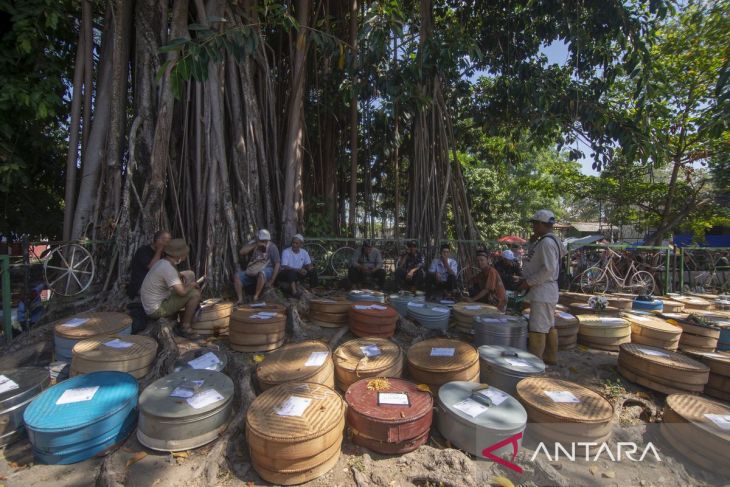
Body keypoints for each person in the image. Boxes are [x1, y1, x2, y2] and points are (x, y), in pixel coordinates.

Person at [518, 209, 565, 365]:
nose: (533, 228)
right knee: (548, 325)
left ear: (540, 224)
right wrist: (533, 242)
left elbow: (548, 269)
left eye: (534, 224)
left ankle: (535, 363)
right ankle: (550, 357)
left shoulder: (546, 242)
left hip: (543, 290)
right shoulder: (552, 240)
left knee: (538, 328)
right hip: (547, 290)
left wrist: (528, 282)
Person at [140, 238, 201, 338]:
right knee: (195, 294)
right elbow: (182, 292)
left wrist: (180, 275)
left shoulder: (163, 262)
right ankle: (185, 327)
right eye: (185, 253)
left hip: (151, 302)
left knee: (189, 275)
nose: (186, 255)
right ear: (179, 256)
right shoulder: (168, 269)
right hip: (156, 309)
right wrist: (191, 285)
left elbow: (172, 276)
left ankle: (178, 316)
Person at [234, 229, 281, 303]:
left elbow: (277, 263)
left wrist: (272, 280)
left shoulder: (272, 247)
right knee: (238, 276)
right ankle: (240, 299)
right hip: (253, 269)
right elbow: (242, 252)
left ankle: (256, 296)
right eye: (262, 240)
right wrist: (255, 245)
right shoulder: (254, 243)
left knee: (262, 273)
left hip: (267, 268)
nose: (264, 242)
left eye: (265, 240)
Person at [127, 230, 171, 299]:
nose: (166, 244)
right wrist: (159, 250)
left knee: (188, 274)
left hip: (157, 283)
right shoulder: (143, 251)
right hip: (141, 285)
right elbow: (152, 267)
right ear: (157, 240)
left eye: (168, 242)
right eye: (165, 241)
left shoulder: (164, 253)